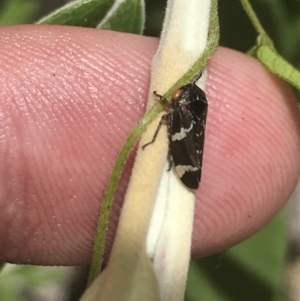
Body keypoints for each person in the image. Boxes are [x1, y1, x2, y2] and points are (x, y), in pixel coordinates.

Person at [0, 25, 299, 265]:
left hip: (184, 148)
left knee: (177, 133)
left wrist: (168, 110)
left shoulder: (180, 105)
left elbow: (173, 112)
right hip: (183, 133)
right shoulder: (189, 100)